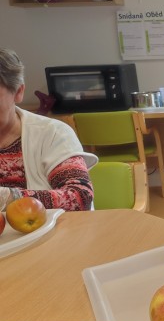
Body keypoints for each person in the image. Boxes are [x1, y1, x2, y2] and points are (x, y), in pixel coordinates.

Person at [0, 48, 97, 212]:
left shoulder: (53, 133)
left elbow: (80, 198)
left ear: (18, 92)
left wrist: (10, 197)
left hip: (54, 235)